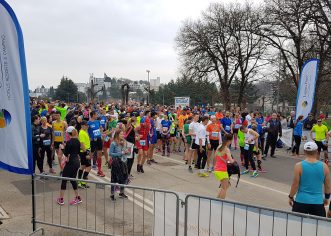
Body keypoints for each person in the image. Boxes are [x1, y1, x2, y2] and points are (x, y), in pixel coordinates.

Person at [288, 142, 331, 217]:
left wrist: (291, 197)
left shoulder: (298, 166)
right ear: (317, 151)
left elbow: (295, 185)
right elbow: (328, 186)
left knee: (296, 226)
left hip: (301, 201)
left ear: (304, 152)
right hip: (317, 202)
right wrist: (327, 198)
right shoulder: (324, 166)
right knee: (318, 227)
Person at [57, 126, 82, 205]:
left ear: (68, 133)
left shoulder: (69, 142)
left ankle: (61, 199)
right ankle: (78, 198)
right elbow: (77, 151)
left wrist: (62, 147)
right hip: (77, 162)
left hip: (71, 162)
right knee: (72, 179)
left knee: (64, 179)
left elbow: (66, 153)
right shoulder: (78, 141)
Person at [109, 130, 129, 201]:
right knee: (114, 178)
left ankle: (121, 192)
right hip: (116, 163)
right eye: (121, 134)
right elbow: (110, 154)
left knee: (124, 177)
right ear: (117, 135)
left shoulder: (123, 142)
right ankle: (112, 194)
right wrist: (121, 153)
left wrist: (127, 152)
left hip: (123, 162)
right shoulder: (113, 143)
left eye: (123, 134)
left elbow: (124, 151)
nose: (123, 135)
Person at [214, 134, 235, 199]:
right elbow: (231, 161)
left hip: (217, 169)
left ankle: (217, 199)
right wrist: (233, 160)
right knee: (224, 188)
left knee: (226, 185)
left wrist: (223, 159)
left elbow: (215, 155)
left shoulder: (219, 146)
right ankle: (221, 202)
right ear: (229, 140)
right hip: (222, 170)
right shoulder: (226, 149)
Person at [88, 111, 105, 177]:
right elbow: (86, 131)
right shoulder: (88, 123)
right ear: (92, 115)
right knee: (91, 155)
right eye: (96, 114)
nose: (97, 115)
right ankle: (87, 167)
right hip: (92, 141)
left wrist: (101, 133)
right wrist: (89, 138)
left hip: (98, 139)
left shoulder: (97, 121)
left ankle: (99, 170)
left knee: (99, 154)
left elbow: (101, 128)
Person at [52, 111, 68, 175]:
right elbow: (53, 132)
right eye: (56, 115)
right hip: (56, 141)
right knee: (59, 157)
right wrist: (53, 142)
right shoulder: (53, 123)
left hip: (62, 142)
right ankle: (62, 169)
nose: (57, 117)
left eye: (58, 115)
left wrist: (65, 141)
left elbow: (67, 133)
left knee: (60, 156)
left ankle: (64, 169)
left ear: (60, 116)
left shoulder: (64, 123)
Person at [77, 120, 91, 189]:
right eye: (86, 125)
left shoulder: (84, 132)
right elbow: (82, 144)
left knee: (82, 166)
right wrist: (86, 153)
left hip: (85, 150)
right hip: (84, 151)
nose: (87, 126)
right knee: (88, 167)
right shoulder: (81, 133)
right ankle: (83, 182)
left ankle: (80, 182)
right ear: (82, 126)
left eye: (87, 125)